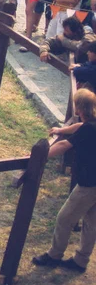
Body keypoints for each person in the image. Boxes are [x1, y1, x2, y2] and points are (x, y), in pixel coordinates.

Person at [31, 88, 96, 274]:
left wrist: (38, 157)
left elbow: (63, 145)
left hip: (89, 184)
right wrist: (62, 129)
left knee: (64, 218)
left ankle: (54, 255)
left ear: (79, 109)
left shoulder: (88, 129)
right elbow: (78, 127)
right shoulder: (91, 124)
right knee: (91, 223)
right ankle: (81, 261)